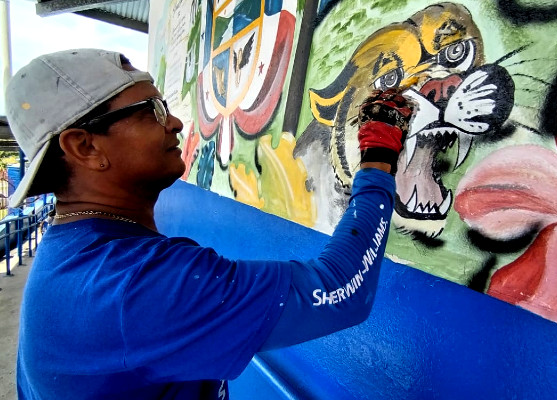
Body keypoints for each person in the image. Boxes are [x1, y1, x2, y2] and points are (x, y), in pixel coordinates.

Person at [5, 49, 412, 400]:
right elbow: (342, 290)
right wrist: (379, 158)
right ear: (85, 146)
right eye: (153, 111)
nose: (176, 123)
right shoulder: (130, 288)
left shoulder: (77, 252)